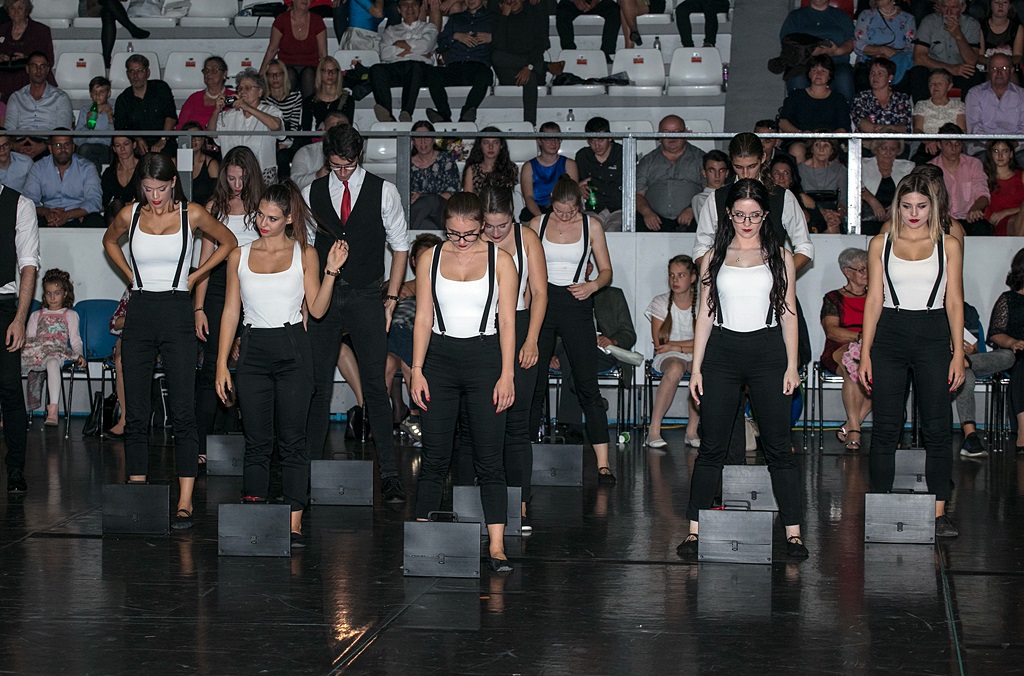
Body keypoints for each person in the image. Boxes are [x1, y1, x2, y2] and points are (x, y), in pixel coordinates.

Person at [101, 153, 238, 530]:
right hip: (141, 309)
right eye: (148, 189)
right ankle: (138, 492)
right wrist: (130, 275)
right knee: (136, 411)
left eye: (161, 188)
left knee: (182, 410)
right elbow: (108, 240)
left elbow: (228, 241)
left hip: (177, 311)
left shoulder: (191, 214)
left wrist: (196, 276)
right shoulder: (130, 214)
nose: (155, 196)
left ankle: (185, 500)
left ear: (173, 183)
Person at [677, 178, 808, 559]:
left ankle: (794, 533)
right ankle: (694, 531)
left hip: (768, 352)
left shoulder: (781, 256)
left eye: (753, 215)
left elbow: (788, 313)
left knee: (778, 447)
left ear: (765, 215)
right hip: (722, 352)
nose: (746, 223)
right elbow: (705, 314)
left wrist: (792, 365)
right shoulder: (712, 257)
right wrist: (697, 368)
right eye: (739, 215)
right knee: (712, 447)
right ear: (728, 214)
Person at [216, 182, 348, 547]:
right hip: (253, 348)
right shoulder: (238, 255)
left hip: (293, 349)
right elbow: (230, 311)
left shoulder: (305, 253)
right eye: (260, 215)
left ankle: (294, 523)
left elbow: (317, 310)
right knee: (256, 441)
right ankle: (254, 520)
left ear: (289, 218)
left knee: (293, 441)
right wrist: (222, 363)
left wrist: (331, 271)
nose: (263, 222)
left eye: (272, 218)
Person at [301, 125, 411, 503]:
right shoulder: (312, 192)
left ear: (359, 156)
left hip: (366, 294)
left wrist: (391, 299)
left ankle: (391, 475)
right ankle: (306, 474)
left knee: (375, 386)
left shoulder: (384, 191)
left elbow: (400, 247)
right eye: (336, 166)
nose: (343, 172)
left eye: (348, 165)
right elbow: (307, 251)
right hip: (327, 295)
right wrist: (306, 300)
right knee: (318, 386)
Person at [410, 192, 516, 572]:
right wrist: (417, 369)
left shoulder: (501, 261)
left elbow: (508, 321)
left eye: (469, 234)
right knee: (435, 456)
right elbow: (423, 317)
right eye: (453, 233)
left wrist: (507, 374)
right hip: (439, 359)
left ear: (482, 227)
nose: (461, 241)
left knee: (489, 459)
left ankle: (497, 547)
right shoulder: (430, 257)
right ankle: (420, 543)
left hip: (484, 359)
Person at [859, 172, 965, 538]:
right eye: (907, 206)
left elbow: (954, 300)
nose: (914, 213)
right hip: (890, 333)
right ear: (897, 206)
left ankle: (939, 513)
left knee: (937, 427)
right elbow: (874, 299)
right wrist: (865, 352)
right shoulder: (880, 243)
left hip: (933, 334)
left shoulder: (948, 243)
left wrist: (957, 353)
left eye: (921, 206)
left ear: (933, 206)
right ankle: (880, 505)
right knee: (886, 427)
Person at [528, 175, 617, 484]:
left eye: (571, 211)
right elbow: (524, 268)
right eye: (559, 211)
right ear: (551, 203)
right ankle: (524, 456)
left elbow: (606, 271)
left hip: (577, 301)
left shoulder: (592, 226)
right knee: (534, 383)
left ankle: (603, 464)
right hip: (543, 300)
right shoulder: (537, 224)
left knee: (587, 385)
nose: (565, 217)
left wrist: (592, 286)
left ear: (579, 205)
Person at [479, 185, 547, 525]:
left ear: (512, 217)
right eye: (488, 226)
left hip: (519, 325)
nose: (494, 233)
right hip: (480, 328)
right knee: (479, 420)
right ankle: (478, 497)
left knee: (517, 422)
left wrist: (532, 339)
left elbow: (540, 292)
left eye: (502, 226)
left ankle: (519, 499)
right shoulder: (471, 238)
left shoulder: (527, 238)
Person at [195, 147, 265, 467]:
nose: (237, 185)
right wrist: (198, 308)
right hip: (218, 288)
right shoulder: (214, 207)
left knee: (251, 369)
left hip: (254, 288)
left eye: (242, 178)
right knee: (212, 365)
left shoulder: (262, 207)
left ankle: (248, 440)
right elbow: (205, 262)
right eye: (232, 178)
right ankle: (201, 443)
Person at [694, 132, 815, 272]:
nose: (745, 174)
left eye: (752, 166)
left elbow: (805, 248)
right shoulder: (716, 198)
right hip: (726, 280)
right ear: (731, 162)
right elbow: (700, 249)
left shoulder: (783, 197)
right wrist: (718, 276)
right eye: (738, 167)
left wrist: (781, 276)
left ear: (763, 158)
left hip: (772, 281)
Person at [0, 178, 38, 493]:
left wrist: (20, 319)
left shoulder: (19, 205)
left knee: (10, 387)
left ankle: (15, 468)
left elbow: (28, 265)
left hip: (3, 305)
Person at [644, 254, 700, 449]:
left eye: (681, 275)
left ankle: (692, 431)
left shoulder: (702, 304)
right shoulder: (660, 302)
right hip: (667, 356)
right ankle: (653, 431)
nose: (675, 280)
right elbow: (661, 344)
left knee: (702, 370)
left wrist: (676, 346)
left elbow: (707, 342)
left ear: (693, 278)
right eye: (671, 275)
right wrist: (679, 348)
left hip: (694, 355)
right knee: (675, 367)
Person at [820, 247, 871, 451]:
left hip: (871, 347)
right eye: (862, 270)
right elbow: (832, 331)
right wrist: (860, 337)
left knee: (885, 376)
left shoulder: (877, 296)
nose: (867, 273)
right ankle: (855, 431)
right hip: (840, 347)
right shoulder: (834, 298)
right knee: (854, 370)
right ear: (847, 272)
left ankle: (850, 425)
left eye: (869, 268)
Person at [20, 269, 84, 426]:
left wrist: (79, 354)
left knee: (53, 362)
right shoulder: (36, 315)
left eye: (57, 293)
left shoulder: (70, 314)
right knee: (9, 363)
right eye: (48, 293)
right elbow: (29, 338)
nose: (52, 297)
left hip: (56, 351)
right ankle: (7, 411)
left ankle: (53, 410)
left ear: (65, 293)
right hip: (37, 351)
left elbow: (75, 339)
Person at [955, 299, 1013, 457]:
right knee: (966, 377)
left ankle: (964, 363)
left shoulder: (968, 311)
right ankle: (970, 436)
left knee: (1008, 356)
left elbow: (975, 348)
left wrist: (971, 352)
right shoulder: (933, 310)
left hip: (970, 361)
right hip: (944, 362)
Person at [209, 69, 286, 183]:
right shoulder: (228, 115)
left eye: (248, 88)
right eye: (240, 88)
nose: (242, 91)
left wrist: (248, 108)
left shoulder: (270, 111)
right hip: (234, 177)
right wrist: (216, 111)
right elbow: (211, 133)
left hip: (262, 176)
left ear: (260, 92)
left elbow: (276, 126)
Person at [426, 0, 494, 124]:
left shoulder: (493, 18)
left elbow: (506, 42)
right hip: (455, 67)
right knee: (432, 73)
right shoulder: (456, 18)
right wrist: (455, 36)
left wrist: (492, 38)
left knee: (486, 74)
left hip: (477, 66)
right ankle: (444, 114)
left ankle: (467, 114)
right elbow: (439, 46)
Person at [371, 0, 439, 123]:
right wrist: (414, 50)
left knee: (415, 67)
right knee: (376, 69)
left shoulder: (429, 28)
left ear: (420, 8)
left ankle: (406, 112)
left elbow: (425, 46)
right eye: (405, 5)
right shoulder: (391, 30)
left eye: (414, 4)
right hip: (397, 68)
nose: (410, 8)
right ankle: (387, 115)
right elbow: (384, 53)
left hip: (420, 71)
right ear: (399, 9)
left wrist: (398, 45)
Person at [636, 115, 704, 233]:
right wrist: (647, 213)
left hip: (693, 218)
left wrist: (693, 209)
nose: (672, 137)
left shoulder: (701, 159)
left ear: (685, 133)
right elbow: (637, 194)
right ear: (659, 136)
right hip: (654, 220)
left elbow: (711, 190)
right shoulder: (647, 161)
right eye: (666, 133)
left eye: (677, 132)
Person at [778, 55, 851, 163]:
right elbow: (783, 122)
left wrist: (827, 139)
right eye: (814, 70)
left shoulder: (838, 99)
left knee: (830, 153)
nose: (818, 74)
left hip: (828, 143)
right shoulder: (796, 96)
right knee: (797, 150)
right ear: (809, 74)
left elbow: (843, 128)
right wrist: (801, 133)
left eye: (823, 71)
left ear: (829, 75)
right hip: (801, 141)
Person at [780, 0, 856, 103]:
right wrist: (809, 50)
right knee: (797, 78)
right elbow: (787, 42)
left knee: (843, 78)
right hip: (804, 62)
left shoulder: (842, 16)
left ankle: (845, 111)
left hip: (836, 62)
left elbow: (851, 41)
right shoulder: (795, 16)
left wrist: (837, 51)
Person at [907, 0, 983, 102]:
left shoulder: (972, 24)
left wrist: (959, 36)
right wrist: (950, 68)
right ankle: (922, 109)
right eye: (945, 7)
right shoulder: (929, 21)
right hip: (934, 70)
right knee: (918, 72)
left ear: (962, 8)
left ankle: (968, 110)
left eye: (953, 8)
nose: (948, 12)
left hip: (960, 71)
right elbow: (918, 58)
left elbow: (972, 61)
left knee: (974, 74)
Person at [23, 133, 103, 228]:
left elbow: (94, 200)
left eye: (67, 144)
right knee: (30, 218)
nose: (63, 149)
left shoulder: (87, 168)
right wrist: (46, 212)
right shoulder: (39, 167)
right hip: (49, 216)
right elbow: (29, 200)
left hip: (78, 216)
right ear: (50, 148)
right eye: (58, 145)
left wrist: (69, 214)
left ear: (73, 147)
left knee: (95, 220)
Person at [986, 248, 1024, 452]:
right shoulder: (1008, 299)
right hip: (1017, 352)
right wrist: (1012, 342)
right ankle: (1023, 431)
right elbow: (995, 333)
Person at [5, 52, 72, 160]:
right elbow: (9, 129)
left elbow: (63, 131)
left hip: (48, 145)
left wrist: (43, 146)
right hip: (20, 143)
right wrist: (15, 146)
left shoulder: (61, 98)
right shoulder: (16, 97)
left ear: (48, 69)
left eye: (42, 66)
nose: (38, 70)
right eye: (34, 66)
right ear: (27, 69)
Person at [930, 122, 991, 234]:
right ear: (939, 145)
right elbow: (930, 202)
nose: (953, 148)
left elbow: (983, 194)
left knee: (984, 228)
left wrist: (975, 208)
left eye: (957, 144)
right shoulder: (931, 168)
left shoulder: (973, 164)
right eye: (948, 144)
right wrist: (953, 223)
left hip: (969, 218)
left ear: (962, 145)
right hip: (942, 219)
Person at [259, 0, 329, 98]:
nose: (306, 0)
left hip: (311, 68)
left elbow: (323, 54)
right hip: (286, 67)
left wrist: (326, 75)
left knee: (308, 74)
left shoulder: (317, 20)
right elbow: (272, 49)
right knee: (289, 74)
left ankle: (308, 107)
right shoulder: (282, 20)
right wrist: (261, 74)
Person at [492, 0, 545, 126]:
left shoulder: (533, 14)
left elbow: (540, 45)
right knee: (496, 56)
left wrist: (528, 67)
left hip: (531, 68)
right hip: (508, 71)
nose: (511, 2)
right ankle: (546, 66)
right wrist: (504, 17)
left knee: (530, 78)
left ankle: (529, 125)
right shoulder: (499, 17)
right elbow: (498, 46)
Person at [113, 54, 177, 155]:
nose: (135, 75)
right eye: (132, 71)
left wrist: (163, 140)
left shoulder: (161, 88)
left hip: (165, 142)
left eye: (140, 71)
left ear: (148, 73)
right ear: (127, 74)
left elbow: (171, 117)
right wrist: (138, 139)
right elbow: (121, 127)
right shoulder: (123, 99)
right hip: (136, 146)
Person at [964, 52, 1024, 157]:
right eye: (994, 68)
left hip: (1016, 148)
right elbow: (974, 126)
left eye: (1004, 68)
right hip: (983, 147)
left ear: (1011, 71)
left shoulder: (1022, 95)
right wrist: (993, 145)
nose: (999, 73)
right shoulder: (975, 93)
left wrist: (1010, 145)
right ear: (988, 71)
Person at [520, 121, 579, 223]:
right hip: (536, 211)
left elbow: (573, 196)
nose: (553, 143)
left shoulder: (569, 164)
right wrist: (542, 219)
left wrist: (561, 215)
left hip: (563, 211)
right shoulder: (528, 166)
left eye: (556, 138)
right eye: (548, 139)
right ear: (539, 141)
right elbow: (528, 198)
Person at [852, 0, 917, 92]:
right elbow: (859, 45)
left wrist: (893, 57)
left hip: (897, 63)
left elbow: (911, 47)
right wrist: (883, 50)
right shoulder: (866, 15)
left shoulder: (907, 18)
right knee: (863, 77)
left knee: (906, 77)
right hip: (870, 61)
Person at [0, 0, 56, 102]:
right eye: (12, 8)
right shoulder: (2, 30)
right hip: (5, 81)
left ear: (26, 10)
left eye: (20, 8)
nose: (16, 12)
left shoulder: (41, 31)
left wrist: (27, 59)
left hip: (31, 81)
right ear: (8, 11)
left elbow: (49, 61)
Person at [410, 120, 461, 230]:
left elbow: (453, 192)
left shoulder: (446, 160)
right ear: (413, 141)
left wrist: (423, 197)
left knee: (429, 200)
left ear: (433, 139)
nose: (423, 142)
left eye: (427, 137)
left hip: (442, 210)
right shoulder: (407, 163)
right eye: (418, 138)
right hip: (419, 213)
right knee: (425, 223)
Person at [575, 116, 624, 232]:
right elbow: (574, 186)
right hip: (593, 210)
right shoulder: (582, 156)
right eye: (592, 141)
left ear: (610, 137)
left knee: (612, 232)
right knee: (590, 232)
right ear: (587, 141)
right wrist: (579, 188)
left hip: (619, 210)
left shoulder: (623, 153)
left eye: (601, 140)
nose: (597, 145)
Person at [911, 69, 967, 163]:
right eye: (932, 83)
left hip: (952, 146)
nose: (935, 86)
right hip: (928, 146)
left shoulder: (959, 105)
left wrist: (942, 143)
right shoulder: (921, 105)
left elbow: (963, 130)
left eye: (940, 84)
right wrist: (929, 141)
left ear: (949, 86)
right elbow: (917, 129)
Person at [862, 138, 916, 234]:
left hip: (898, 215)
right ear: (876, 148)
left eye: (893, 149)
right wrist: (874, 203)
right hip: (867, 215)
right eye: (883, 148)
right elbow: (857, 187)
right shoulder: (863, 164)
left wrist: (897, 205)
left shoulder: (908, 166)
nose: (888, 153)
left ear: (898, 151)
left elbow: (911, 190)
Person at [770, 153, 831, 234]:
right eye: (776, 173)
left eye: (786, 173)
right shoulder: (764, 198)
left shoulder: (802, 198)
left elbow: (821, 225)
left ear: (791, 178)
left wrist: (809, 219)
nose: (781, 177)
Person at [851, 57, 914, 134]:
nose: (875, 77)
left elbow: (905, 127)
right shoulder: (861, 97)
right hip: (869, 140)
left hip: (894, 140)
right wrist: (884, 130)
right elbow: (861, 123)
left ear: (890, 77)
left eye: (880, 73)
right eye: (872, 73)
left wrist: (888, 129)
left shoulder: (901, 99)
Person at [290, 110, 350, 189]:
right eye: (332, 127)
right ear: (324, 128)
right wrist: (317, 175)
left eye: (342, 127)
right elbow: (294, 184)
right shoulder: (306, 152)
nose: (337, 131)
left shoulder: (355, 153)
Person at [300, 57, 353, 140]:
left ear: (338, 74)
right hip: (316, 141)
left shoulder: (348, 100)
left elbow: (348, 128)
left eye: (334, 71)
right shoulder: (309, 101)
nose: (330, 74)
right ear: (319, 74)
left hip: (339, 141)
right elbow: (306, 131)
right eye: (325, 71)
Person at [800, 135, 847, 228]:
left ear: (832, 150)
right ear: (812, 149)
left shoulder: (840, 170)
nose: (821, 149)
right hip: (808, 214)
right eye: (817, 145)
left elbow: (843, 199)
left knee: (832, 225)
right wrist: (820, 213)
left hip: (833, 214)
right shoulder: (799, 170)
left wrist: (838, 215)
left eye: (826, 145)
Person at [175, 56, 234, 131]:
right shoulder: (194, 98)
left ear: (224, 73)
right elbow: (181, 128)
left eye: (214, 70)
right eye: (206, 70)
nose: (208, 74)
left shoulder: (233, 97)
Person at [91, 0, 150, 70]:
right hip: (89, 7)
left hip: (104, 7)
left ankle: (106, 59)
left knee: (108, 13)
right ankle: (132, 28)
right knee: (109, 3)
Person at [555, 0, 620, 63]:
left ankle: (607, 53)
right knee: (562, 10)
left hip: (597, 3)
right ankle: (569, 52)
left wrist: (595, 1)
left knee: (614, 10)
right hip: (573, 3)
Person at [982, 139, 1024, 235]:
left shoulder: (1021, 176)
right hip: (1000, 224)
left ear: (1011, 154)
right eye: (996, 151)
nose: (1000, 155)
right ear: (991, 154)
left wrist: (1007, 212)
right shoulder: (984, 178)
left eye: (1004, 151)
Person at [74, 76, 115, 170]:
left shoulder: (113, 111)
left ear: (108, 94)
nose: (97, 95)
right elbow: (77, 141)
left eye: (102, 92)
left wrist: (110, 119)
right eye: (94, 92)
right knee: (88, 153)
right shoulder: (85, 111)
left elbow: (112, 140)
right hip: (85, 148)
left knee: (85, 151)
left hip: (105, 149)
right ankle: (95, 177)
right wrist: (87, 125)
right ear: (90, 94)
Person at [462, 126, 518, 193]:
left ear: (501, 145)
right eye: (486, 142)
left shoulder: (510, 168)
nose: (490, 147)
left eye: (495, 142)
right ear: (480, 145)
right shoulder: (472, 170)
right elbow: (468, 198)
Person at [106, 287, 130, 438]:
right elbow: (114, 323)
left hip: (158, 340)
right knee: (121, 361)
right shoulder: (133, 289)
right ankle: (124, 419)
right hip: (131, 338)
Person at [180, 122, 219, 210]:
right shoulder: (174, 162)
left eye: (197, 136)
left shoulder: (211, 164)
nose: (193, 140)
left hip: (204, 212)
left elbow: (217, 194)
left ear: (203, 139)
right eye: (189, 136)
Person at [100, 136, 139, 224]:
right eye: (118, 145)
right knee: (116, 204)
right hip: (115, 213)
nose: (122, 149)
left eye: (126, 144)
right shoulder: (110, 172)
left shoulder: (144, 168)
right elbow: (104, 200)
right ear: (114, 149)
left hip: (139, 211)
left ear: (134, 145)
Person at [977, 0, 1023, 71]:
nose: (1000, 6)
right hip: (987, 68)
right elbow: (979, 56)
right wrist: (995, 64)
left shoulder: (1017, 28)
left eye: (1005, 2)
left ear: (1010, 6)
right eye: (996, 2)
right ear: (990, 5)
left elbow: (1018, 56)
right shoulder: (980, 27)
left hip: (1009, 68)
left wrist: (1003, 64)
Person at [692, 149, 730, 219]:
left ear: (726, 173)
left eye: (721, 170)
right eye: (711, 171)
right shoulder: (700, 199)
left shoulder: (733, 195)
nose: (717, 175)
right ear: (704, 173)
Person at [0, 128, 33, 192]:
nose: (2, 150)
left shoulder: (26, 163)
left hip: (23, 198)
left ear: (10, 145)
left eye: (5, 145)